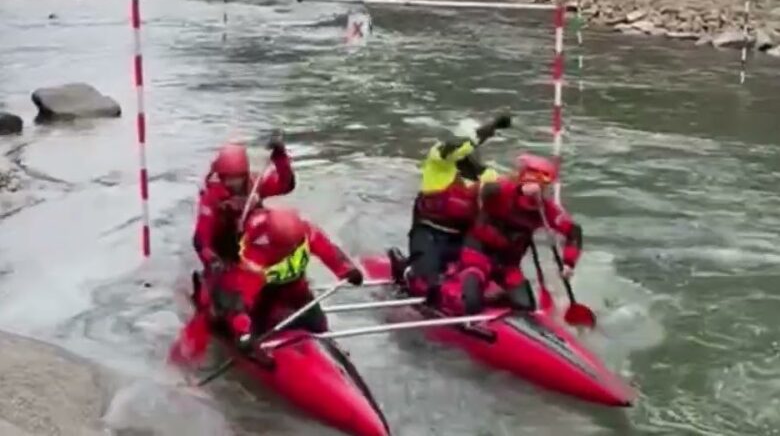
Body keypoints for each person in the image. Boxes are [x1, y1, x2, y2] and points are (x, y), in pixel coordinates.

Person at [389, 113, 511, 304]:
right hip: (429, 232)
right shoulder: (438, 161)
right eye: (469, 147)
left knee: (488, 278)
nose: (470, 154)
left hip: (463, 237)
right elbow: (453, 148)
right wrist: (491, 126)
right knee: (426, 285)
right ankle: (406, 269)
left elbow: (510, 196)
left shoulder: (489, 176)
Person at [217, 206, 363, 350]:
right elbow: (241, 297)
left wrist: (347, 270)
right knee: (260, 331)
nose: (293, 249)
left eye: (295, 244)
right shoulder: (255, 256)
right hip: (263, 299)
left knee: (318, 322)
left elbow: (328, 250)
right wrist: (242, 332)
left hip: (296, 289)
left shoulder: (305, 232)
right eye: (287, 247)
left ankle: (329, 349)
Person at [456, 153, 583, 315]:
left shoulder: (546, 209)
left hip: (508, 264)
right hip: (478, 254)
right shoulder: (503, 190)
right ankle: (459, 290)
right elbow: (486, 190)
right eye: (543, 186)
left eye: (547, 187)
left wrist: (569, 263)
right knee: (473, 301)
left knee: (526, 306)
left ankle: (498, 298)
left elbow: (574, 232)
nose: (545, 192)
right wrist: (519, 190)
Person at [192, 132, 294, 279]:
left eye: (237, 178)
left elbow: (285, 185)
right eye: (227, 178)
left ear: (245, 174)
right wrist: (213, 260)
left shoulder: (255, 185)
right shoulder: (211, 197)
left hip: (251, 241)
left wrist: (280, 157)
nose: (232, 183)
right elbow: (201, 239)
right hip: (224, 247)